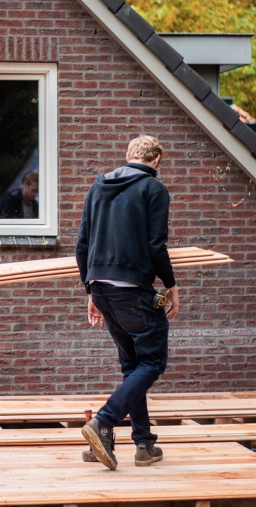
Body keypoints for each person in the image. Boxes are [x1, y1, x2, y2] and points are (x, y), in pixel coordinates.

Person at [75, 135, 179, 470]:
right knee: (152, 363)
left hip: (102, 288)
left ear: (127, 156)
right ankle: (104, 421)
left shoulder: (98, 186)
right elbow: (155, 245)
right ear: (157, 160)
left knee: (133, 367)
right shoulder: (153, 189)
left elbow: (82, 243)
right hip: (134, 290)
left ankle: (145, 445)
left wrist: (91, 290)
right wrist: (172, 285)